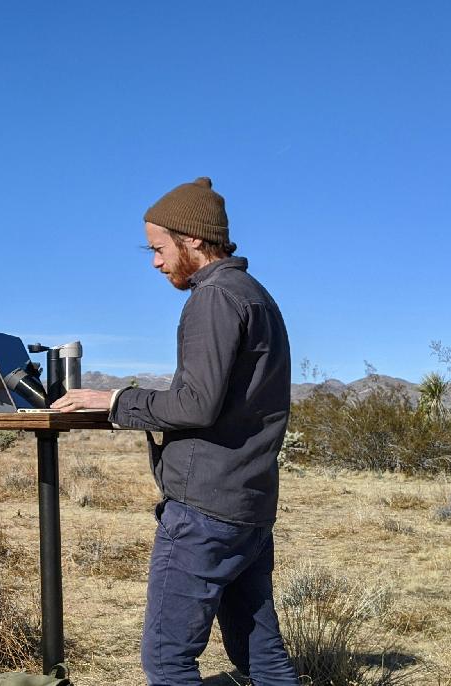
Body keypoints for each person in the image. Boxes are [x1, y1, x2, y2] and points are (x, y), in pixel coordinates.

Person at [51, 178, 300, 685]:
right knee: (260, 653)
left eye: (159, 248)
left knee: (168, 659)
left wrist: (116, 401)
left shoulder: (214, 299)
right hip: (247, 504)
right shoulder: (257, 296)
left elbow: (195, 403)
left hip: (204, 509)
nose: (156, 262)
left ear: (192, 239)